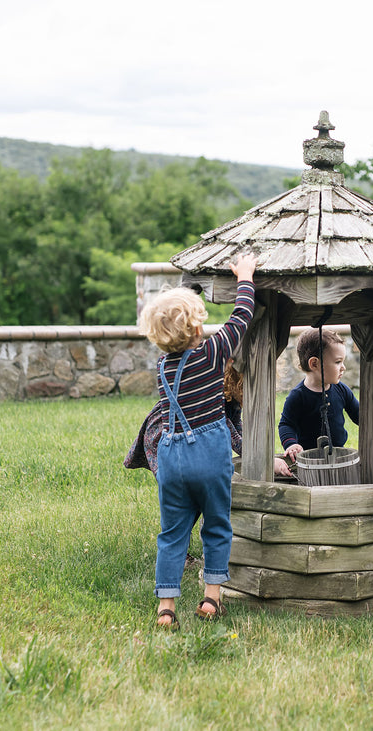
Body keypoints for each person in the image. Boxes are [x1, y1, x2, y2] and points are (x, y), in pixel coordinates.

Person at [123, 254, 256, 629]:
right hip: (210, 454)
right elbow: (242, 316)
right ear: (198, 330)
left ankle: (166, 608)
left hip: (171, 458)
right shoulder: (212, 355)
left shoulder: (163, 367)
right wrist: (245, 276)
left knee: (172, 534)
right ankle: (212, 600)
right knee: (216, 526)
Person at [278, 328, 360, 464]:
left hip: (339, 457)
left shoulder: (341, 389)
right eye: (338, 362)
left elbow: (359, 415)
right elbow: (286, 424)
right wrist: (291, 444)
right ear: (314, 364)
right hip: (309, 461)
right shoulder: (298, 396)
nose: (343, 367)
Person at [224, 360, 294, 478]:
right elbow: (231, 436)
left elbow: (236, 424)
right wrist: (267, 461)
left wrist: (256, 448)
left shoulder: (233, 396)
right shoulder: (218, 399)